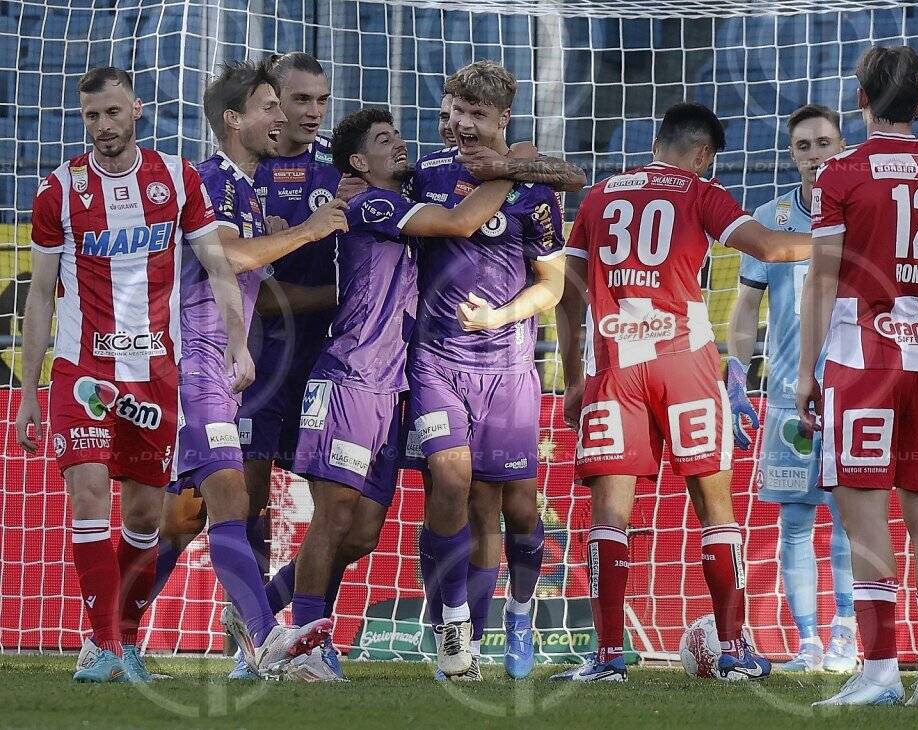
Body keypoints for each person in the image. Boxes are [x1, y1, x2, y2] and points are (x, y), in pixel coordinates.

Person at [269, 106, 533, 680]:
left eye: (398, 136)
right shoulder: (372, 202)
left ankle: (264, 612)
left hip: (395, 386)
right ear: (360, 161)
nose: (399, 145)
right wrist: (514, 168)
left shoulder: (406, 194)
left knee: (362, 533)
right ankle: (307, 641)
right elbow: (460, 223)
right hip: (350, 376)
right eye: (385, 140)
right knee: (334, 516)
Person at [555, 101, 813, 682]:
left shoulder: (598, 196)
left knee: (609, 518)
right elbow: (771, 248)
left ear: (658, 138)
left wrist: (573, 378)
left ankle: (608, 658)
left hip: (616, 365)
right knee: (714, 512)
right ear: (703, 154)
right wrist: (841, 243)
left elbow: (569, 294)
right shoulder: (700, 191)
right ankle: (733, 650)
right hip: (683, 363)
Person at [15, 65, 248, 683]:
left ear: (137, 110)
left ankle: (123, 638)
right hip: (83, 372)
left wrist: (238, 344)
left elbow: (219, 267)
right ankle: (104, 647)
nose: (102, 126)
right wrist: (29, 391)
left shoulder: (176, 178)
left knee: (146, 520)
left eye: (113, 113)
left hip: (154, 374)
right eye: (92, 116)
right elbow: (40, 295)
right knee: (87, 497)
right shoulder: (58, 191)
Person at [799, 46, 918, 707]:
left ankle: (878, 672)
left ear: (861, 98)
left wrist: (806, 377)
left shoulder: (840, 174)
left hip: (861, 357)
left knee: (864, 517)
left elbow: (821, 279)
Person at [169, 59, 349, 680]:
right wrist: (306, 231)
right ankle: (266, 638)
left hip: (221, 364)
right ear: (233, 120)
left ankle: (112, 638)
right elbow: (229, 257)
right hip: (197, 361)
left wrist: (242, 343)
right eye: (270, 106)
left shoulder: (245, 189)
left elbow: (240, 275)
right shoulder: (213, 180)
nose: (281, 118)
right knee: (225, 501)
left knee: (175, 518)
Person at [410, 87, 586, 681]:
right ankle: (456, 628)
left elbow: (552, 285)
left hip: (507, 367)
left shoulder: (534, 189)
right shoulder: (425, 174)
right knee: (455, 482)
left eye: (477, 114)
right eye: (456, 111)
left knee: (512, 510)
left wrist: (500, 316)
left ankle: (516, 616)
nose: (462, 123)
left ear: (502, 119)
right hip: (435, 361)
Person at [726, 104, 856, 672]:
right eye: (803, 146)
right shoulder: (771, 216)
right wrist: (735, 370)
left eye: (823, 143)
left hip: (852, 387)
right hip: (785, 394)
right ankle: (807, 643)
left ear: (841, 145)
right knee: (795, 522)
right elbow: (747, 304)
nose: (814, 156)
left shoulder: (862, 210)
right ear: (791, 152)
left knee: (852, 518)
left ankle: (847, 633)